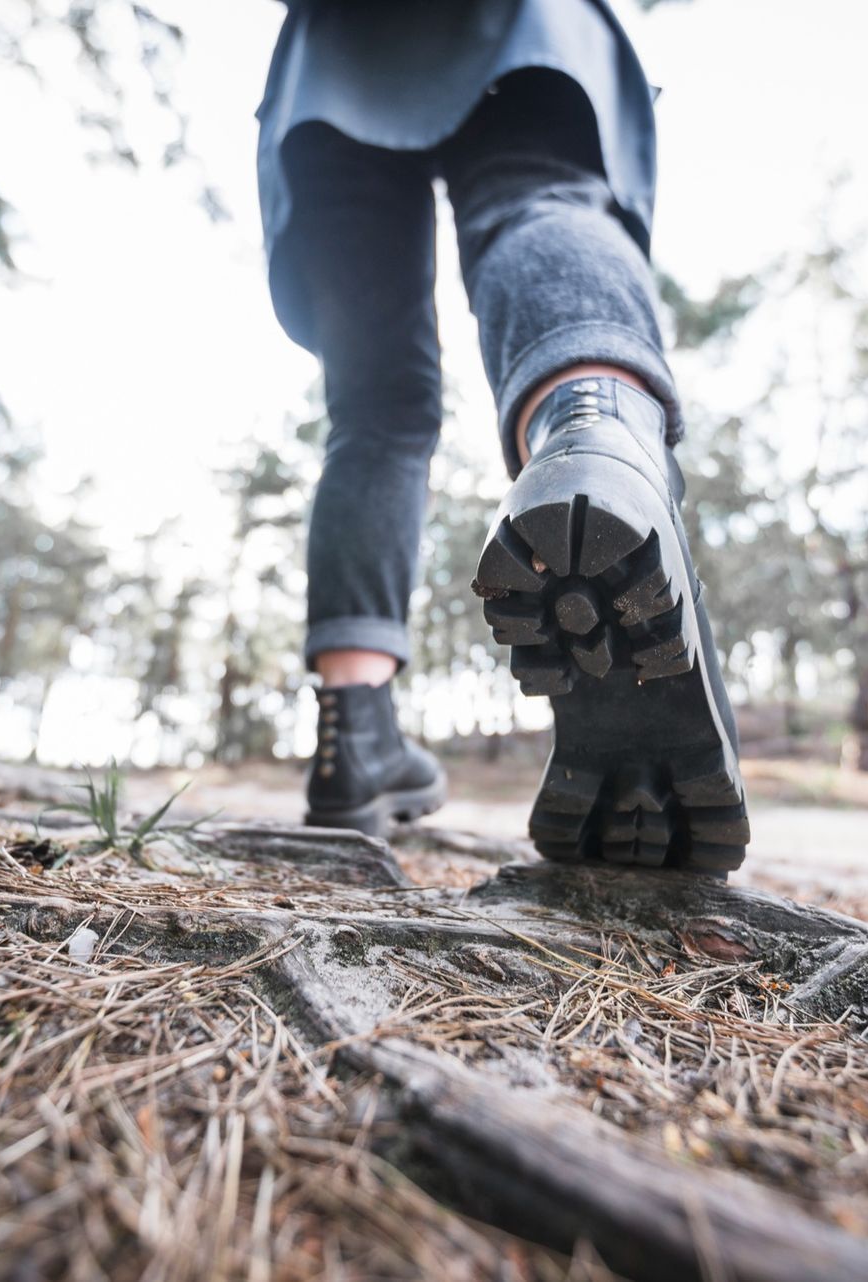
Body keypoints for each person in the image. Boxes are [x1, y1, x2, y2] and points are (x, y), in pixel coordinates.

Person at [257, 0, 748, 873]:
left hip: (332, 61)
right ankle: (595, 436)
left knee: (375, 411)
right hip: (523, 28)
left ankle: (353, 737)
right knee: (533, 199)